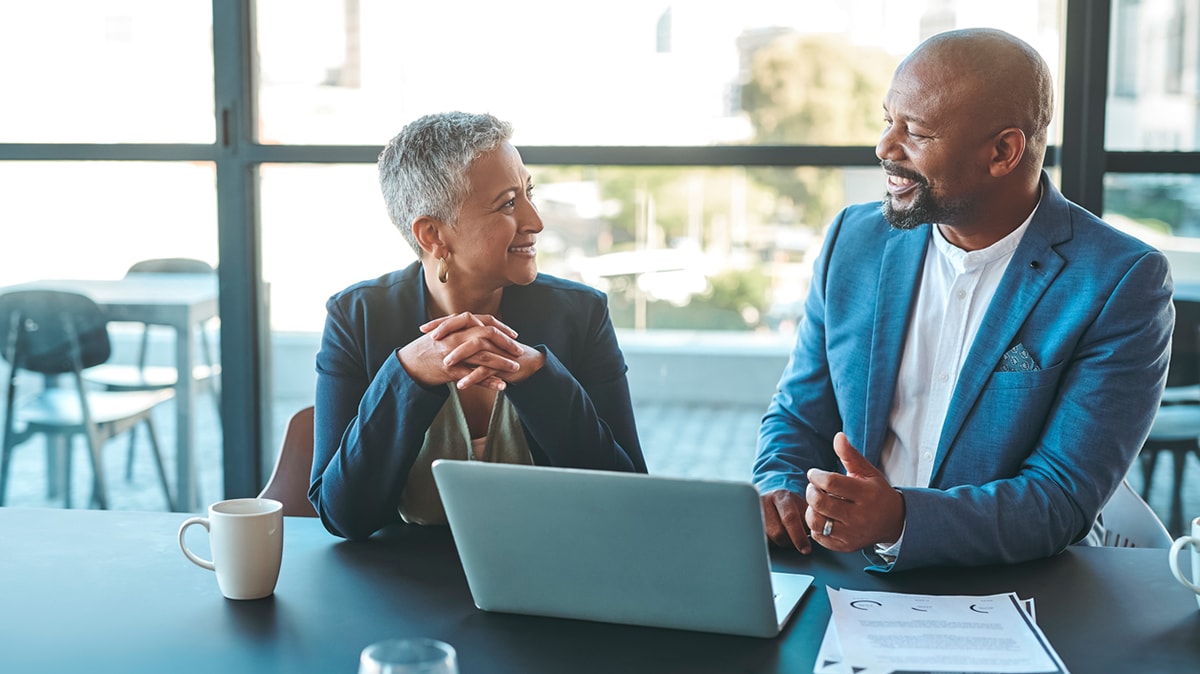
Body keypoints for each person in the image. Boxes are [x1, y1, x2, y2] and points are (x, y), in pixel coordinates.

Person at [754, 28, 1175, 572]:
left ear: (1003, 152)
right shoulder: (852, 242)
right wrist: (781, 487)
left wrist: (900, 519)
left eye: (917, 132)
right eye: (888, 120)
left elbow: (1061, 498)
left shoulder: (1120, 283)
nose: (885, 148)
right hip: (844, 572)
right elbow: (798, 415)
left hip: (1017, 594)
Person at [310, 111, 647, 540]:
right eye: (508, 203)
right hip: (405, 587)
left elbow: (630, 495)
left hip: (556, 571)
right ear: (433, 235)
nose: (535, 221)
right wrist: (406, 376)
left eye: (529, 193)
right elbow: (343, 516)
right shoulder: (355, 318)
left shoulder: (581, 315)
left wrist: (541, 377)